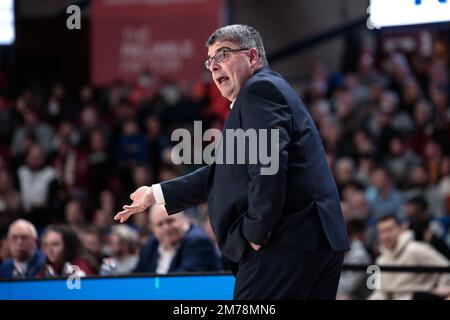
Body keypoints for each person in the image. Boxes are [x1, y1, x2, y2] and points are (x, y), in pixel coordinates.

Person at [115, 24, 349, 299]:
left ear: (252, 57)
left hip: (286, 242)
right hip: (313, 239)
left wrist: (255, 234)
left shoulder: (258, 90)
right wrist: (155, 193)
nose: (213, 67)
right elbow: (224, 172)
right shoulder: (268, 90)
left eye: (223, 55)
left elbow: (268, 167)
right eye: (210, 60)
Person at [369, 215, 450, 300]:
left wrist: (443, 288)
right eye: (381, 232)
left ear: (400, 229)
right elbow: (380, 292)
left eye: (389, 230)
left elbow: (446, 267)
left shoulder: (416, 249)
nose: (385, 236)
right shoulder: (380, 260)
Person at [134, 205, 220, 274]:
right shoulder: (151, 244)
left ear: (184, 219)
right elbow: (137, 275)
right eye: (160, 224)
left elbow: (181, 282)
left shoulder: (198, 242)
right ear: (153, 228)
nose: (166, 228)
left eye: (170, 221)